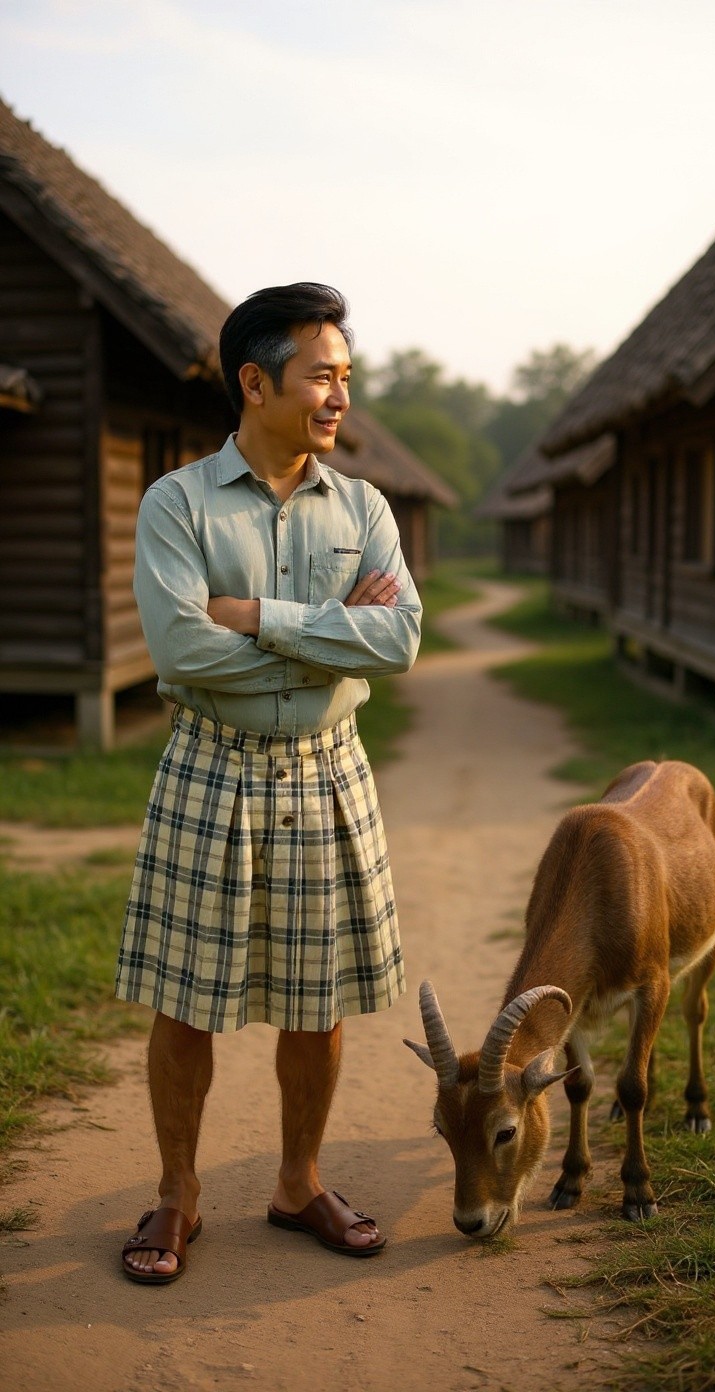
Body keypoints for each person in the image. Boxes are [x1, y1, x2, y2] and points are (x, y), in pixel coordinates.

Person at [115, 282, 422, 1283]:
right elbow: (179, 648)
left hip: (328, 773)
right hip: (211, 766)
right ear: (254, 383)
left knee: (317, 997)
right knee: (182, 1000)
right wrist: (334, 639)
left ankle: (296, 1181)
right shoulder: (177, 503)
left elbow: (403, 638)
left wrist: (260, 617)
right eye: (319, 377)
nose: (339, 397)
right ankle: (177, 1193)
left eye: (344, 376)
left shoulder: (365, 505)